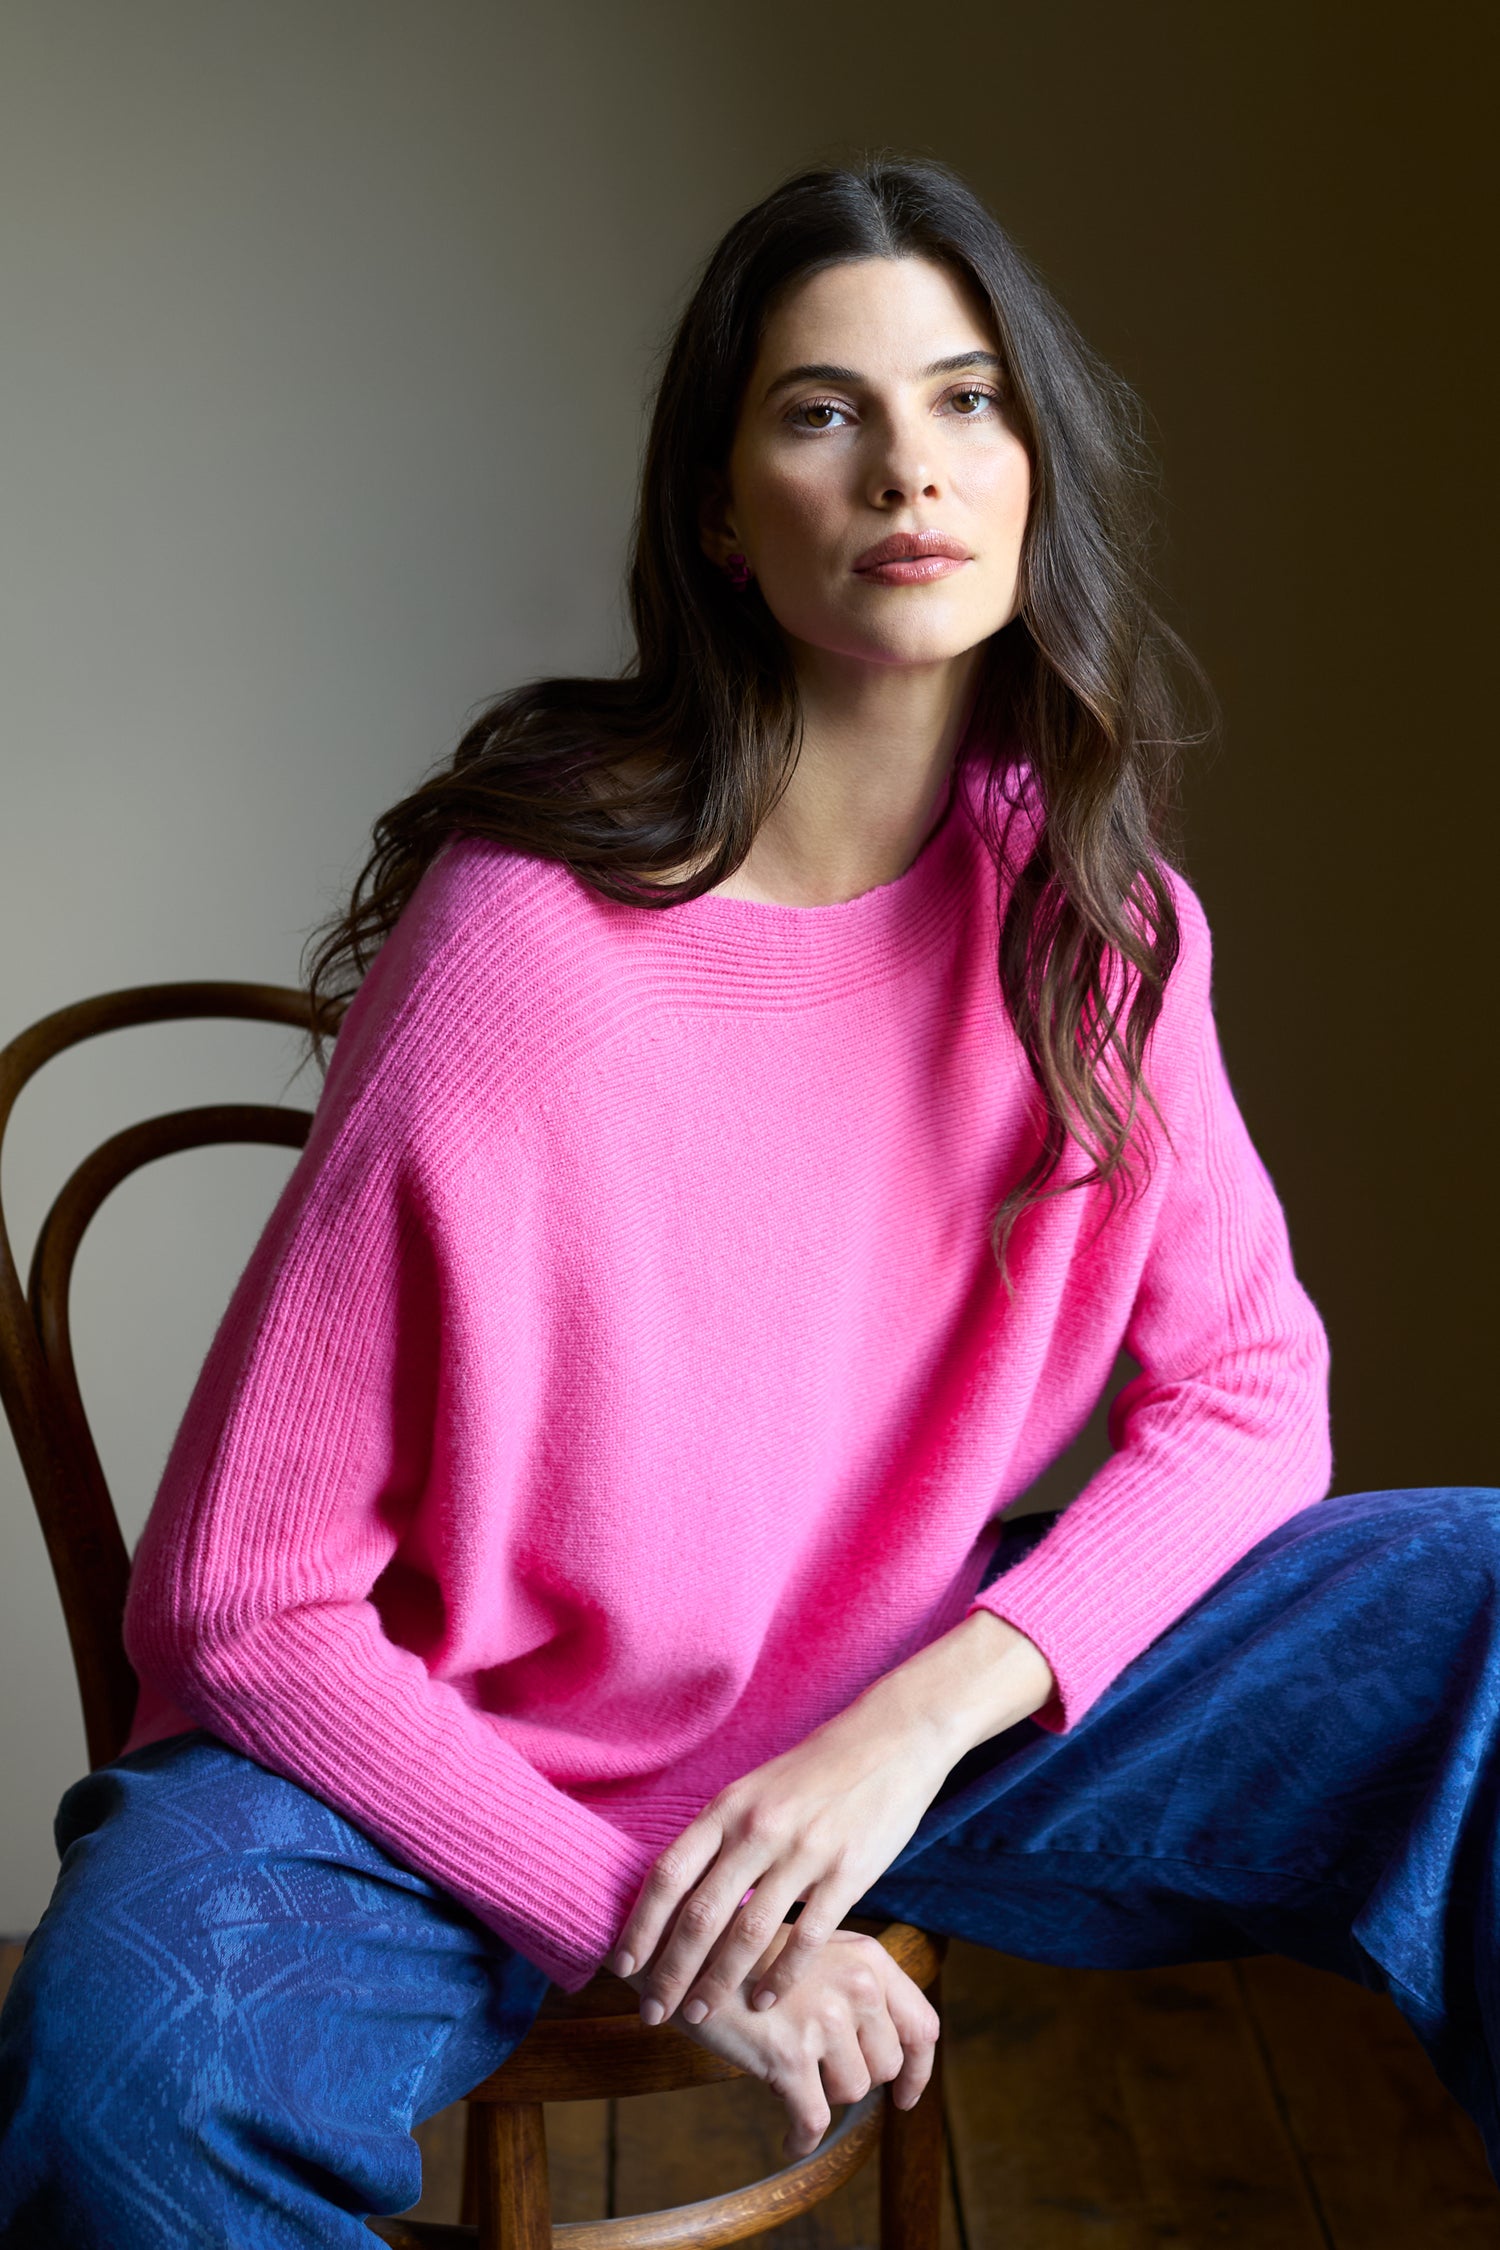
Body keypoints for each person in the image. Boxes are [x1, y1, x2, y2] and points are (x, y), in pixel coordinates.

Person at [1, 157, 1496, 2245]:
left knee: (1490, 1604)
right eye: (822, 411)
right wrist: (668, 1925)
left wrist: (915, 1722)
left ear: (1036, 470)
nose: (910, 467)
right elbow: (243, 1598)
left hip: (882, 1711)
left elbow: (1250, 1391)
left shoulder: (1101, 929)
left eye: (970, 401)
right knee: (127, 2073)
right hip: (439, 1771)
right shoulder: (523, 942)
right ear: (720, 512)